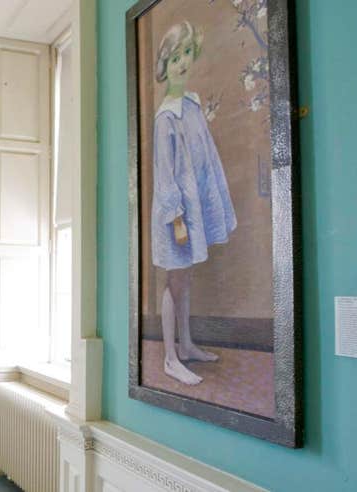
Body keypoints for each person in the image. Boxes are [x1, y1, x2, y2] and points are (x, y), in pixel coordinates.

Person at [151, 21, 237, 385]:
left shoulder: (192, 105)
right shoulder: (166, 116)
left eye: (186, 53)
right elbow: (166, 174)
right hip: (176, 215)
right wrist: (178, 218)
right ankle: (170, 356)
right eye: (174, 57)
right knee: (174, 280)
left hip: (193, 207)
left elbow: (204, 157)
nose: (182, 62)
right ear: (165, 64)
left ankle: (185, 344)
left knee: (186, 279)